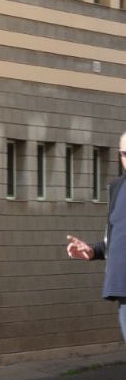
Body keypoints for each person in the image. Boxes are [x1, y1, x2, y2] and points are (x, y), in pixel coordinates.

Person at [65, 131, 126, 338]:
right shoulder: (118, 188)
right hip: (122, 288)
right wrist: (93, 251)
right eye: (125, 154)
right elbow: (117, 237)